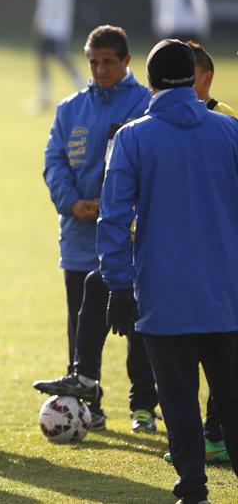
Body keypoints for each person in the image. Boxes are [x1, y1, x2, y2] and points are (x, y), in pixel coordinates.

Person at [99, 38, 238, 504]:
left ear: (152, 81)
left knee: (177, 399)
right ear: (195, 77)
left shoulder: (133, 137)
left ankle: (193, 490)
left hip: (163, 296)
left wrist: (117, 286)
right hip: (227, 295)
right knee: (233, 400)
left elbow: (114, 219)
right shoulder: (229, 131)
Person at [38, 25, 154, 431]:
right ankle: (90, 403)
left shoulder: (144, 104)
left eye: (108, 61)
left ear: (126, 62)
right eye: (93, 62)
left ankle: (143, 405)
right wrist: (73, 202)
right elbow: (53, 162)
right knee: (81, 321)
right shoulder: (71, 108)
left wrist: (115, 207)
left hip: (131, 237)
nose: (100, 69)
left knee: (138, 323)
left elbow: (150, 168)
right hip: (79, 235)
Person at [158, 40, 235, 465]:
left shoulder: (225, 123)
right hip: (178, 261)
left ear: (204, 77)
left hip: (217, 262)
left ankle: (211, 437)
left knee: (218, 364)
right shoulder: (156, 125)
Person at [31, 0, 83, 111]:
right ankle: (44, 98)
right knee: (43, 60)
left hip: (55, 27)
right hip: (51, 26)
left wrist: (42, 22)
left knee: (63, 58)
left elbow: (52, 3)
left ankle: (83, 87)